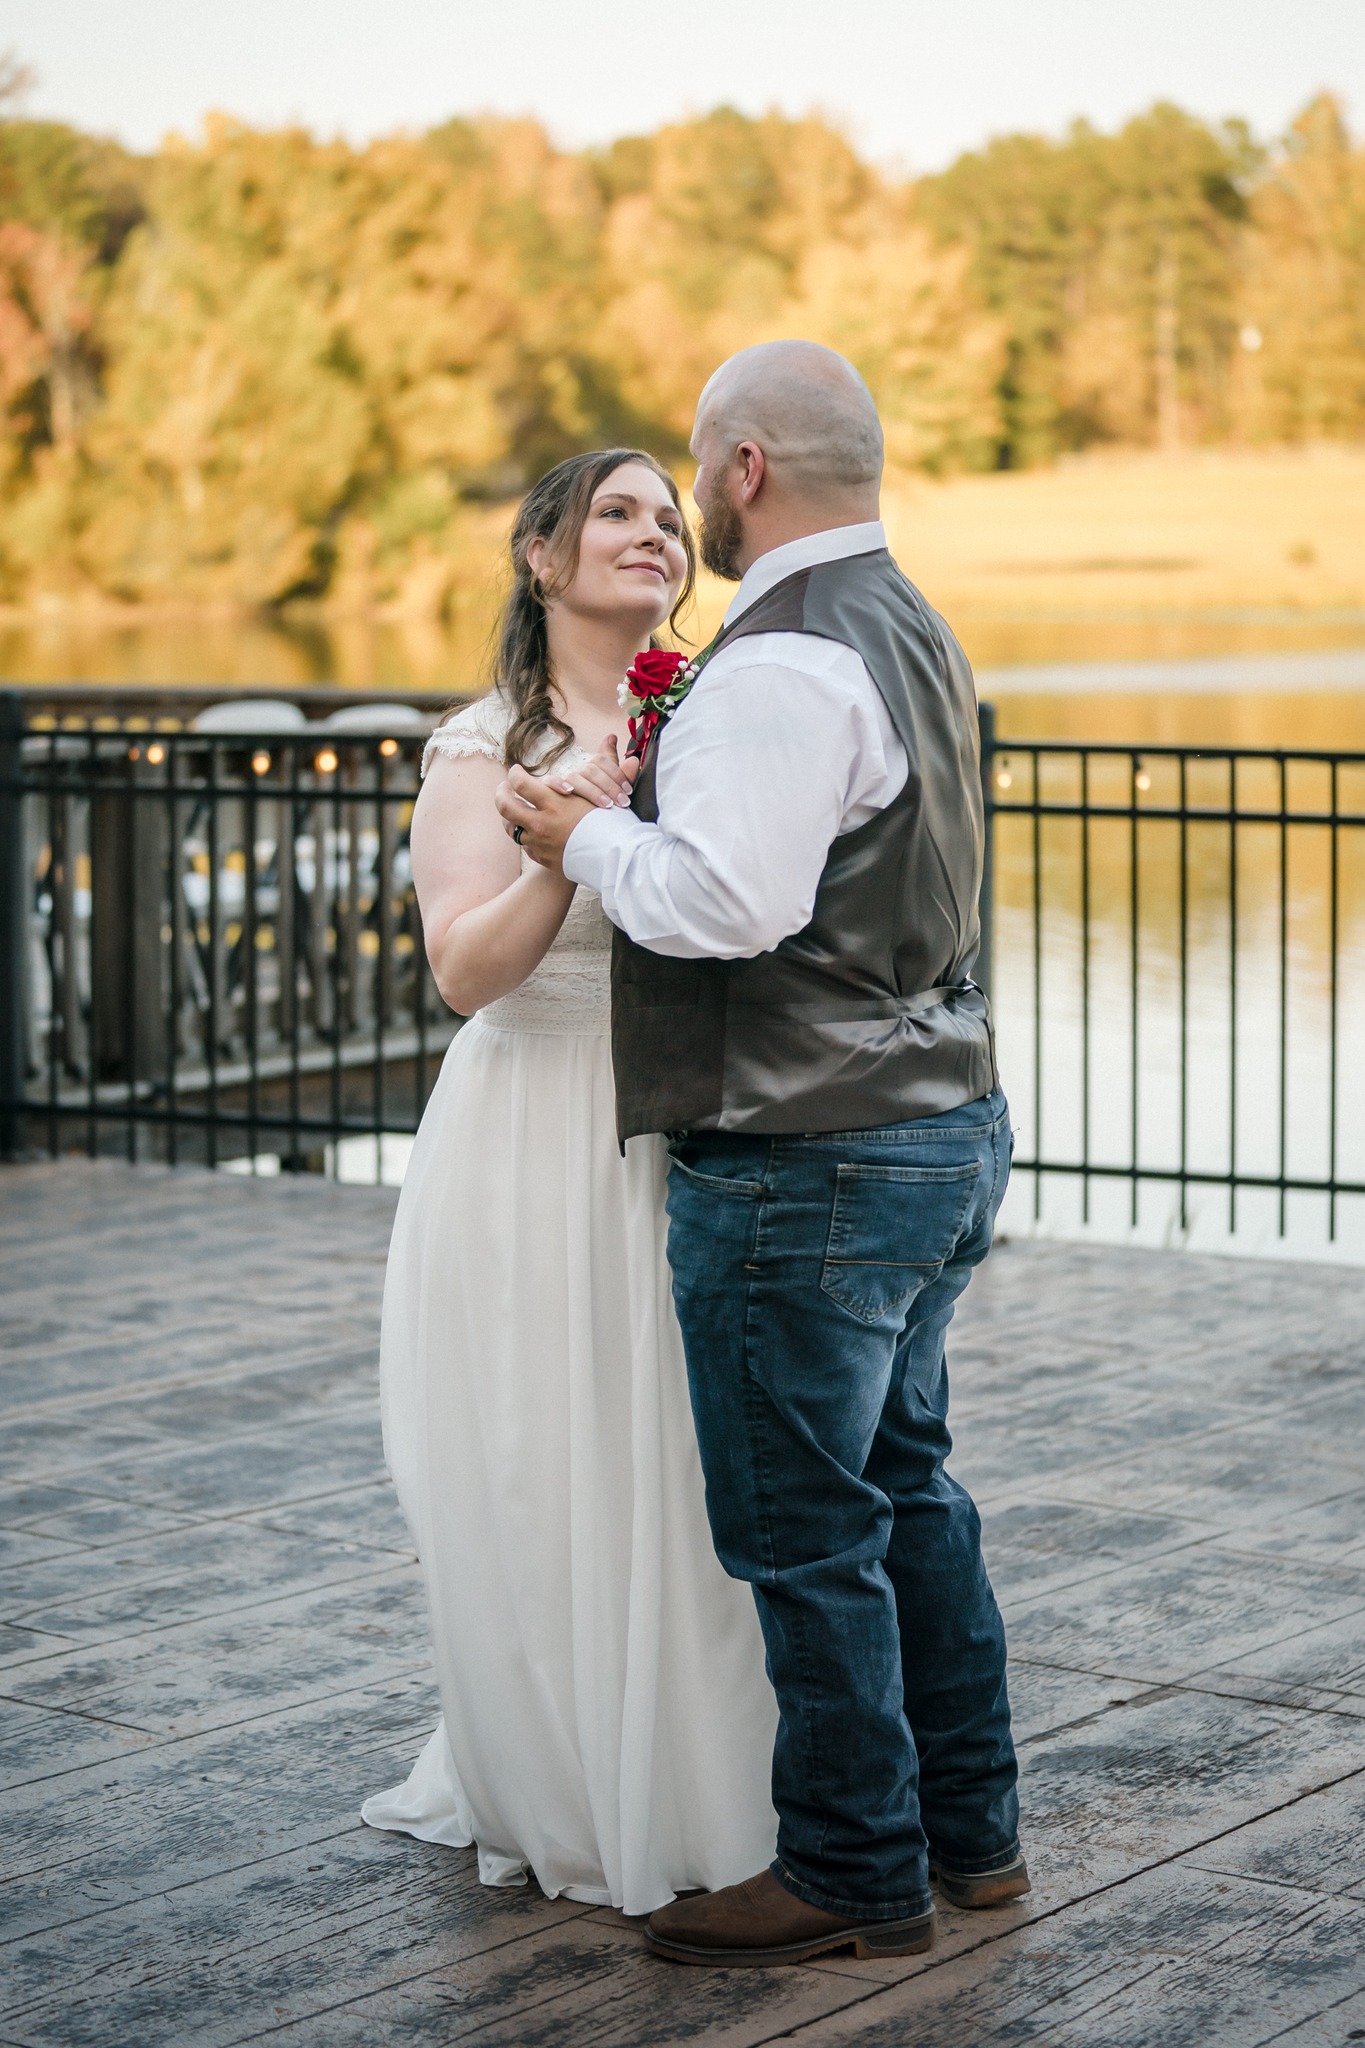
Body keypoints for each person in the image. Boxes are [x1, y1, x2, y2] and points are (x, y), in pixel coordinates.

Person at [496, 341, 1028, 1968]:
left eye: (693, 473)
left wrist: (575, 833)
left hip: (810, 1161)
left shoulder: (783, 660)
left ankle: (854, 1873)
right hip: (936, 1125)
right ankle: (976, 1841)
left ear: (739, 470)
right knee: (908, 1493)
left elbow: (726, 906)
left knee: (806, 1534)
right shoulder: (908, 624)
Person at [362, 448, 778, 1914]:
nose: (653, 534)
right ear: (540, 555)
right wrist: (572, 842)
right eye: (617, 511)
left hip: (685, 1132)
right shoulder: (484, 746)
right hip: (534, 1132)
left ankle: (707, 1780)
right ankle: (568, 1780)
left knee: (680, 1464)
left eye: (670, 518)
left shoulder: (716, 715)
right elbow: (465, 973)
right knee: (550, 1457)